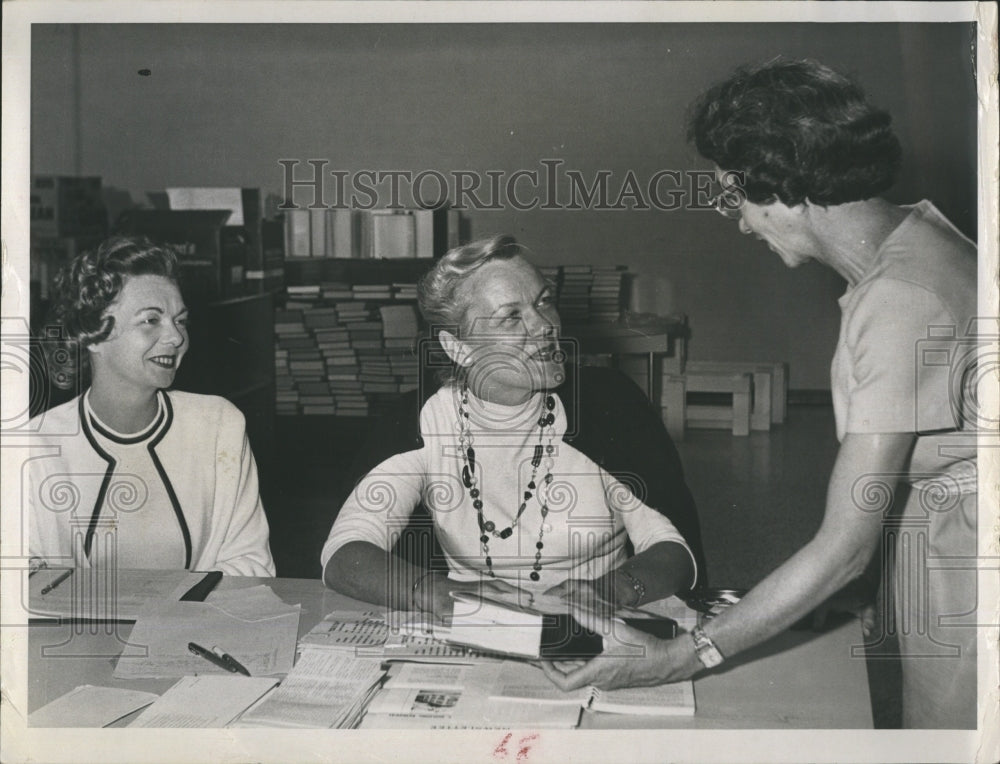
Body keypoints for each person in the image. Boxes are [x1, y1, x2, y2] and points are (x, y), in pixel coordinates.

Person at [543, 58, 979, 730]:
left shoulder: (901, 297)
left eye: (734, 197)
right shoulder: (920, 237)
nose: (741, 224)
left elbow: (846, 546)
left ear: (785, 185)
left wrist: (684, 657)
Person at [321, 235, 705, 621]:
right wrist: (436, 592)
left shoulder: (610, 404)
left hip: (601, 621)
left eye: (543, 302)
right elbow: (345, 554)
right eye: (511, 316)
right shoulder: (422, 420)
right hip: (474, 626)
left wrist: (615, 589)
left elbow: (675, 548)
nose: (545, 326)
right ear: (458, 348)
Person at [28, 235, 275, 576]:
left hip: (194, 629)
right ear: (94, 335)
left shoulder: (219, 426)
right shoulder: (34, 446)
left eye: (181, 320)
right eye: (151, 320)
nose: (176, 337)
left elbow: (251, 565)